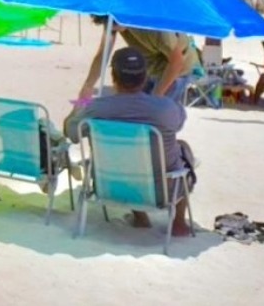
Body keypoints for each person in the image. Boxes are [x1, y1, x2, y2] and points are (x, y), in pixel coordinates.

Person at [64, 47, 196, 237]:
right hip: (161, 192)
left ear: (114, 77)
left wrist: (81, 102)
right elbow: (180, 121)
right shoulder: (164, 108)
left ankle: (141, 218)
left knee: (127, 157)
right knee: (181, 149)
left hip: (110, 186)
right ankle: (178, 223)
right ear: (144, 78)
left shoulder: (96, 108)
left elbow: (70, 132)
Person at [79, 15, 200, 102]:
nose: (112, 28)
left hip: (177, 67)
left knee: (156, 114)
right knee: (136, 108)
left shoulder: (155, 28)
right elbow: (102, 54)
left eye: (114, 24)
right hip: (152, 66)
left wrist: (157, 96)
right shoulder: (113, 22)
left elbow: (176, 63)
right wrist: (88, 86)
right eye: (109, 25)